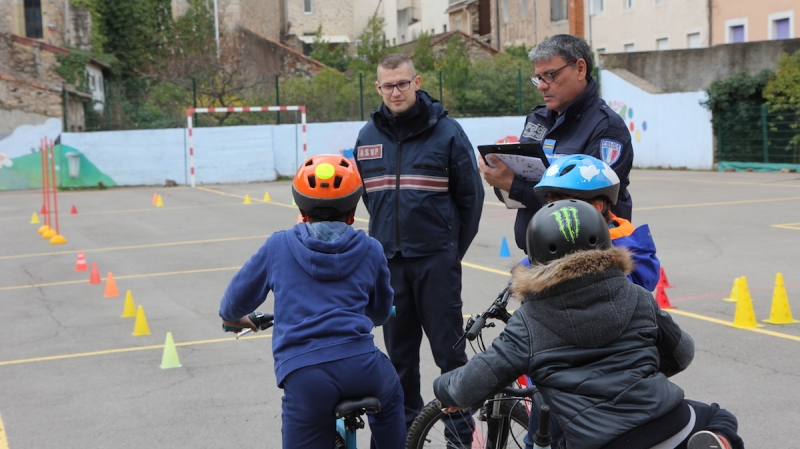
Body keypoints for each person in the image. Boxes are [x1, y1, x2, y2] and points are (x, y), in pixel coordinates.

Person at [433, 200, 743, 449]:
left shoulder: (529, 321)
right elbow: (683, 352)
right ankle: (720, 441)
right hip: (671, 423)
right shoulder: (636, 296)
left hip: (601, 440)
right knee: (718, 416)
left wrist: (444, 391)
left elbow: (466, 386)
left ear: (537, 255)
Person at [218, 154, 405, 449]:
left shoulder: (278, 246)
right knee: (392, 396)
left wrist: (236, 320)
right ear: (353, 210)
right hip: (363, 368)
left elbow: (230, 307)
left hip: (306, 374)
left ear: (301, 210)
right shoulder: (371, 249)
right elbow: (380, 313)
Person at [353, 53, 485, 432]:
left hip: (436, 262)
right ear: (378, 88)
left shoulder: (448, 133)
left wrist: (450, 248)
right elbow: (370, 197)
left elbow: (470, 199)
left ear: (417, 82)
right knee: (399, 359)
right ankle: (407, 435)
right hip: (388, 266)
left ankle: (459, 436)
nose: (396, 91)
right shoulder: (367, 137)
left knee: (450, 355)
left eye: (402, 83)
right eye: (387, 85)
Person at [479, 34, 634, 252]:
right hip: (539, 256)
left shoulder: (606, 129)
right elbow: (519, 190)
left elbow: (586, 208)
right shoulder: (538, 119)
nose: (541, 86)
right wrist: (500, 177)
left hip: (586, 260)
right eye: (538, 78)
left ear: (580, 69)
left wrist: (514, 185)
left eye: (550, 75)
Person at [532, 153, 659, 291]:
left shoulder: (617, 263)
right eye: (550, 206)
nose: (553, 215)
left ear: (596, 207)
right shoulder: (561, 240)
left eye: (564, 207)